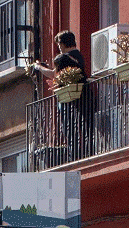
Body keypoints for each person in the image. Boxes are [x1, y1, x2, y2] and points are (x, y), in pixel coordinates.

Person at [33, 30, 92, 161]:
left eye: (59, 44)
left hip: (68, 97)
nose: (59, 47)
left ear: (62, 43)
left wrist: (39, 67)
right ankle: (87, 150)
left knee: (69, 126)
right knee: (84, 125)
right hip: (84, 94)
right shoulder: (78, 56)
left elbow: (53, 74)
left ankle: (74, 153)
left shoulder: (63, 57)